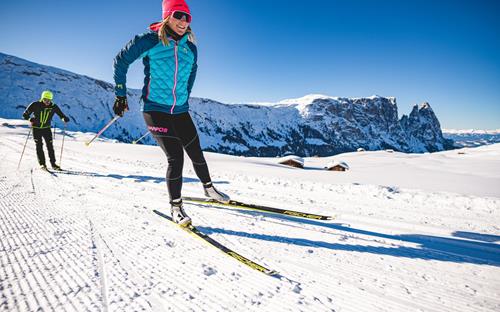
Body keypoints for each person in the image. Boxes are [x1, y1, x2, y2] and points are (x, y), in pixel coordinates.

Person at [113, 0, 229, 227]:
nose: (183, 22)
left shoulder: (190, 47)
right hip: (155, 108)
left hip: (181, 110)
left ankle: (209, 189)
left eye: (187, 18)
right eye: (178, 16)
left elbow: (193, 72)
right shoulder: (149, 40)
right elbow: (121, 61)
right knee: (176, 157)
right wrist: (120, 95)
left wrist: (185, 95)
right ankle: (176, 207)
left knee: (196, 151)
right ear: (167, 16)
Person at [22, 90, 70, 171]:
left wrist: (64, 118)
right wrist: (30, 119)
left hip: (46, 129)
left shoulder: (53, 106)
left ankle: (53, 164)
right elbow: (25, 115)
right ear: (42, 98)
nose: (47, 102)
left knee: (50, 146)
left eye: (49, 100)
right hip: (36, 128)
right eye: (45, 99)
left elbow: (61, 115)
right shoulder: (35, 104)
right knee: (39, 145)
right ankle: (42, 164)